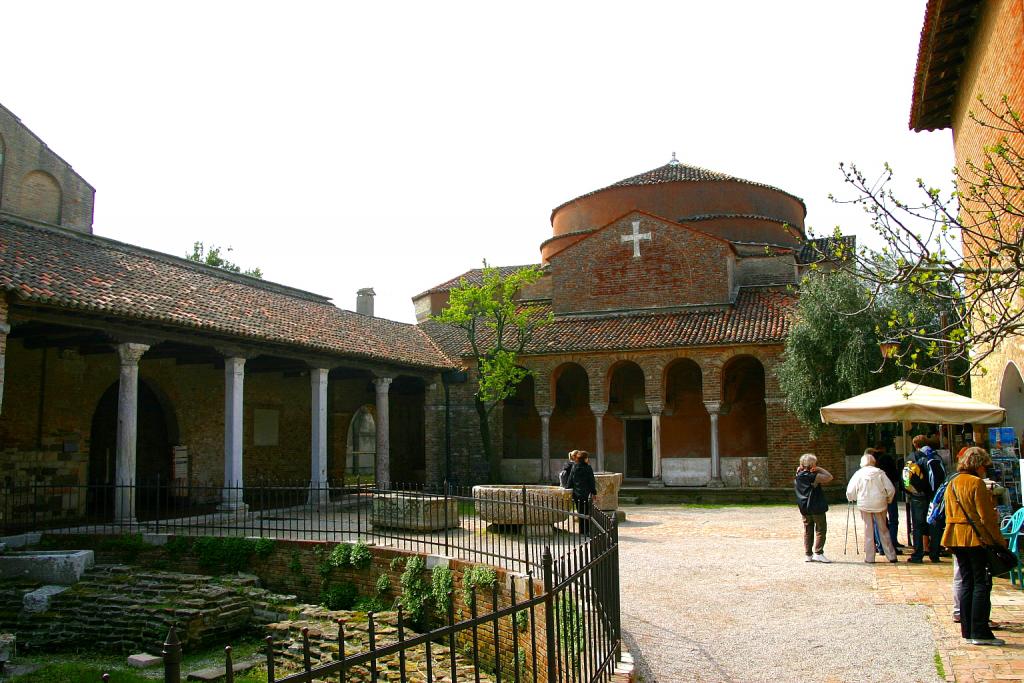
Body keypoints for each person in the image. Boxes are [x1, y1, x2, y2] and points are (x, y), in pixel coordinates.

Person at [941, 447, 1009, 646]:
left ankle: (968, 630)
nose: (985, 470)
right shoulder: (976, 483)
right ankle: (980, 631)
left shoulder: (952, 483)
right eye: (985, 466)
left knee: (967, 581)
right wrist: (998, 541)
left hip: (955, 536)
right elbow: (986, 517)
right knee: (982, 582)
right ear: (978, 465)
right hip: (974, 537)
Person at [847, 450, 898, 563]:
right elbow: (890, 489)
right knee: (883, 529)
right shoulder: (880, 473)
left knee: (868, 529)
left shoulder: (859, 473)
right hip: (880, 503)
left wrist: (852, 498)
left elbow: (850, 491)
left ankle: (870, 558)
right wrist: (888, 499)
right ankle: (891, 556)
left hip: (864, 504)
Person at [794, 453, 833, 563]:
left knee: (808, 530)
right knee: (821, 529)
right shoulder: (814, 476)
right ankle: (818, 553)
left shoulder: (798, 475)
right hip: (816, 506)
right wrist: (819, 468)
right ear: (813, 465)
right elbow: (830, 477)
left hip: (804, 507)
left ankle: (808, 555)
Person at [905, 434, 937, 563]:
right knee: (933, 523)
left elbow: (906, 479)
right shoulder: (934, 456)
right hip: (933, 496)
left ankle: (917, 555)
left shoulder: (913, 457)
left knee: (917, 526)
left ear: (915, 445)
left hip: (917, 496)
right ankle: (934, 553)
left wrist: (910, 491)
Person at [871, 442, 901, 552]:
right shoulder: (887, 458)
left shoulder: (872, 462)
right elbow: (895, 475)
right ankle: (892, 542)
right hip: (889, 491)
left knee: (879, 521)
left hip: (877, 494)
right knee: (893, 519)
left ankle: (880, 545)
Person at [567, 449, 597, 536]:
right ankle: (587, 531)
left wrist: (568, 489)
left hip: (577, 495)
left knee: (580, 512)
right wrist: (594, 492)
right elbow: (591, 481)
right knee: (587, 513)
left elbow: (570, 481)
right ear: (585, 459)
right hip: (586, 495)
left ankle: (582, 531)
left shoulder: (574, 467)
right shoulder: (588, 468)